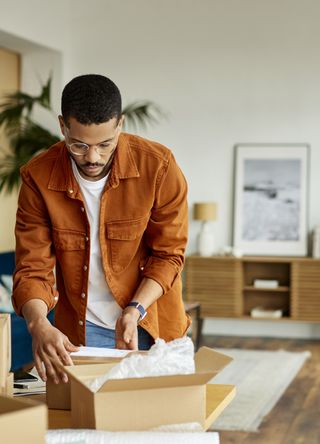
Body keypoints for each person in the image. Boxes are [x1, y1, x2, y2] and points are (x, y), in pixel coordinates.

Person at [12, 74, 189, 384]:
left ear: (119, 125)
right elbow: (32, 269)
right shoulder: (38, 178)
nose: (92, 157)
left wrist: (135, 310)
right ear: (63, 127)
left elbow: (169, 255)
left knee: (155, 424)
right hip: (79, 331)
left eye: (105, 144)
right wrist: (38, 323)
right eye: (79, 145)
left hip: (150, 321)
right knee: (84, 426)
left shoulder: (158, 167)